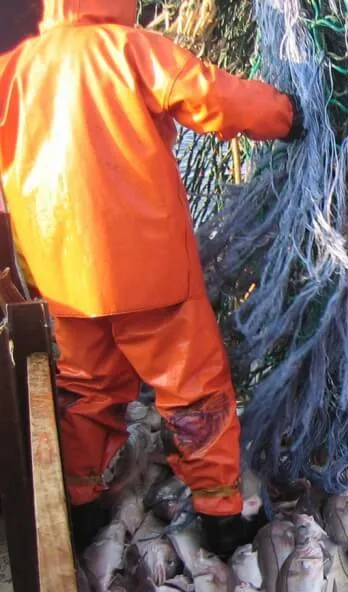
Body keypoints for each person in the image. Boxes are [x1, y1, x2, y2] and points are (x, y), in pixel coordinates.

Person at [0, 0, 304, 558]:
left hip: (63, 277)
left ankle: (82, 507)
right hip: (151, 271)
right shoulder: (128, 49)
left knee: (86, 393)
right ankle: (221, 521)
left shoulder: (18, 68)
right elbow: (214, 97)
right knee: (194, 392)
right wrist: (286, 115)